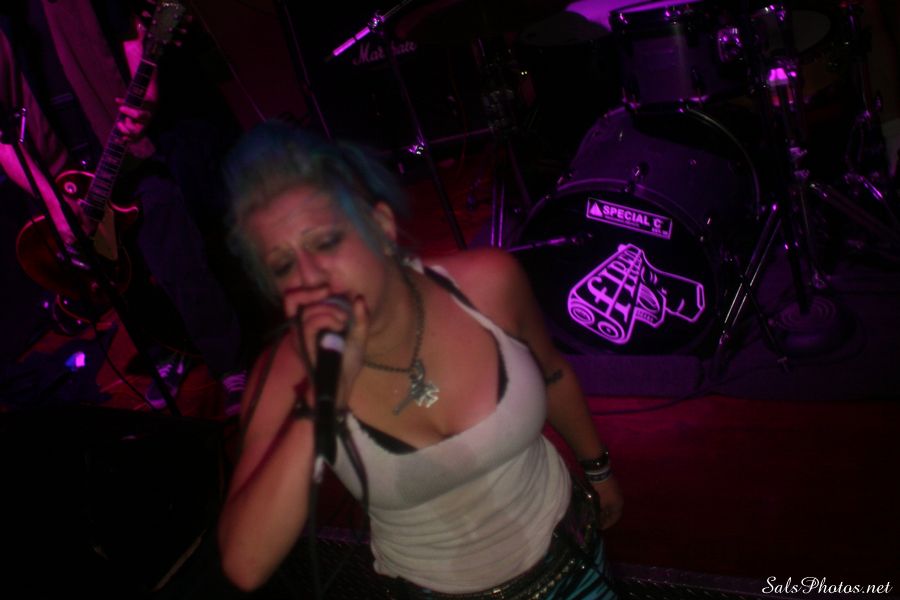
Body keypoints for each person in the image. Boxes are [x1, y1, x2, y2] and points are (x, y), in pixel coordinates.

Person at [217, 120, 624, 598]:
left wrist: (599, 470)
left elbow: (552, 374)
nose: (310, 278)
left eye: (325, 242)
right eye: (284, 265)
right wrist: (324, 396)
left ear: (380, 226)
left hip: (574, 562)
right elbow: (245, 564)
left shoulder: (488, 283)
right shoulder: (286, 376)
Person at [0, 0, 245, 409]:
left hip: (122, 149)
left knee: (180, 262)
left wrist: (146, 93)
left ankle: (230, 362)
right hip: (67, 183)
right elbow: (4, 143)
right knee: (120, 282)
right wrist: (55, 206)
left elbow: (130, 32)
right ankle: (167, 353)